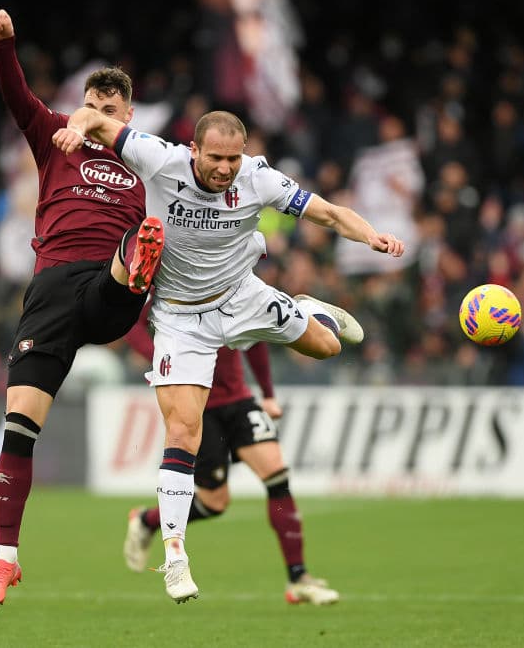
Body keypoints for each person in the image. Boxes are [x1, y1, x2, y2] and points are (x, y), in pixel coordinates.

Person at [53, 109, 404, 603]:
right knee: (183, 431)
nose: (224, 168)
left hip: (242, 296)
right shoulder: (159, 159)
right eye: (215, 158)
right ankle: (175, 553)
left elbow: (327, 212)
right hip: (179, 317)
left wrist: (371, 236)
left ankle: (304, 307)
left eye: (233, 158)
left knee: (328, 347)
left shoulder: (259, 178)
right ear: (194, 151)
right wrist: (78, 125)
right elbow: (97, 118)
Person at [0, 9, 165, 609]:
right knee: (19, 425)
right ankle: (5, 559)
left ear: (128, 118)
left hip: (107, 287)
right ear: (81, 104)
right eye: (92, 107)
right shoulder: (54, 136)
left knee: (121, 270)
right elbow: (16, 96)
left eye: (112, 113)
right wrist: (6, 45)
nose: (99, 119)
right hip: (52, 288)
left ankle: (134, 263)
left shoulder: (145, 161)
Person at [122, 306, 340, 605]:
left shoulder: (235, 278)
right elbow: (131, 322)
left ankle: (298, 578)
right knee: (215, 502)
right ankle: (147, 520)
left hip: (239, 400)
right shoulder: (174, 279)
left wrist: (268, 394)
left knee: (277, 476)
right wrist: (158, 355)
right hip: (198, 406)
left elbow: (257, 336)